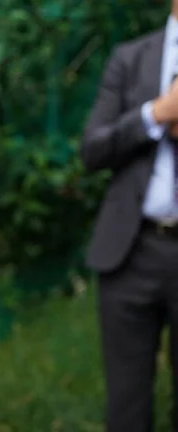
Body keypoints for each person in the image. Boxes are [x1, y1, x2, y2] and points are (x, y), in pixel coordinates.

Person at [81, 2, 178, 430]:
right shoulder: (131, 57)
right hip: (130, 252)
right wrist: (155, 114)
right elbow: (93, 149)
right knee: (127, 405)